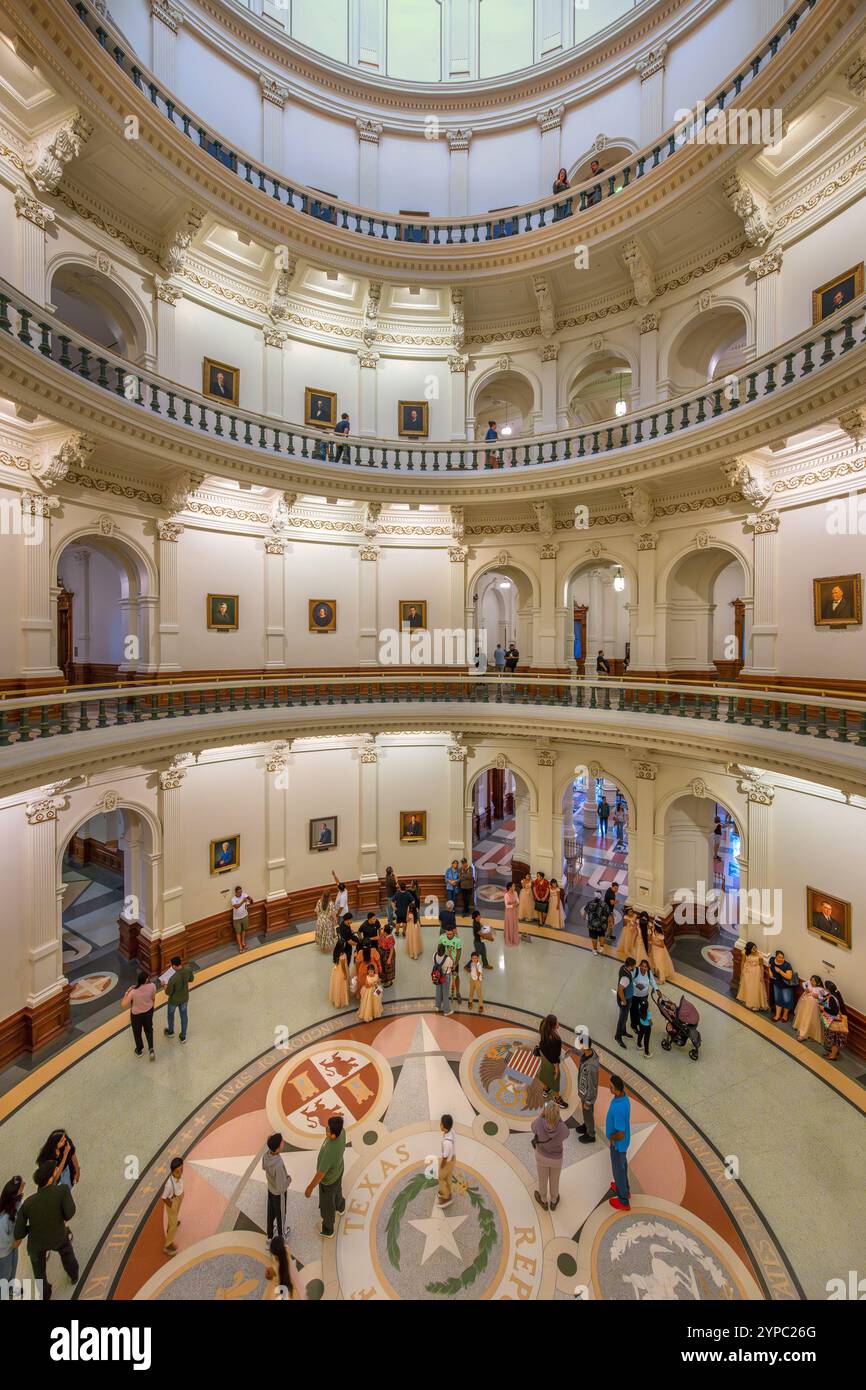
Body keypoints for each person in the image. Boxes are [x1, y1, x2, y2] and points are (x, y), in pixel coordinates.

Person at [12, 1160, 78, 1299]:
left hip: (36, 1245)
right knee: (67, 1254)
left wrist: (32, 1227)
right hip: (58, 1235)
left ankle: (46, 1294)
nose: (56, 1171)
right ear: (50, 1177)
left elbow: (19, 1232)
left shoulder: (28, 1203)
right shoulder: (62, 1190)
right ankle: (73, 1276)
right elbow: (70, 1213)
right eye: (54, 1171)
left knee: (39, 1272)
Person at [305, 1115, 346, 1238]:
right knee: (338, 1190)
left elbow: (320, 1175)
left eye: (328, 1130)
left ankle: (328, 1230)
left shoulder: (329, 1151)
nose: (326, 1129)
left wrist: (310, 1187)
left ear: (333, 1135)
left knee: (327, 1207)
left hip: (328, 1182)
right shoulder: (342, 1132)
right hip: (338, 1171)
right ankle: (340, 1206)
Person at [531, 1100, 570, 1211]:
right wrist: (558, 1119)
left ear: (545, 1113)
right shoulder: (562, 1128)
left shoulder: (539, 1123)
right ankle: (554, 1200)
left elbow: (532, 1127)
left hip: (541, 1156)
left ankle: (543, 1200)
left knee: (542, 1179)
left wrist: (541, 1116)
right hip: (556, 1159)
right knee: (555, 1179)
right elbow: (567, 1134)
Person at [606, 1074, 631, 1211]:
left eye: (611, 1088)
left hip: (618, 1144)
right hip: (623, 1142)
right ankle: (625, 1189)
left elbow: (620, 1133)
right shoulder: (623, 1098)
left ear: (617, 1090)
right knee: (622, 1166)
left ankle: (624, 1201)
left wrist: (612, 1138)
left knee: (618, 1171)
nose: (610, 1089)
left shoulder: (618, 1109)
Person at [262, 1134, 291, 1242]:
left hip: (270, 1189)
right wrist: (288, 1180)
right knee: (281, 1214)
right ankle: (282, 1236)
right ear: (277, 1148)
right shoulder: (278, 1164)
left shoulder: (266, 1155)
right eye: (281, 1141)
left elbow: (264, 1167)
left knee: (271, 1213)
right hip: (279, 1195)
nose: (283, 1141)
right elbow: (280, 1188)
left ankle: (269, 1237)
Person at [122, 970, 156, 1060]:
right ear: (146, 980)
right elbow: (153, 998)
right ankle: (151, 1048)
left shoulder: (133, 992)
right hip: (148, 1012)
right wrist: (152, 1008)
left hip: (136, 1015)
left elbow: (123, 1004)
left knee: (137, 1032)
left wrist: (127, 992)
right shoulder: (152, 986)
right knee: (149, 1030)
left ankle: (139, 1050)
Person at [0, 1175, 24, 1287]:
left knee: (13, 1269)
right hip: (4, 1252)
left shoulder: (17, 1202)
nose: (24, 1185)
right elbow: (4, 1241)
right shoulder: (3, 1220)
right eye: (21, 1186)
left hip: (13, 1244)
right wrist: (16, 1241)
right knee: (5, 1275)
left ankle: (11, 1287)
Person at [538, 1014, 567, 1108]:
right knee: (556, 1079)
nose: (558, 1023)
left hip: (544, 1057)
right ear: (553, 1025)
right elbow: (555, 1056)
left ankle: (546, 1090)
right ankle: (557, 1098)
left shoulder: (543, 1029)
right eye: (557, 1022)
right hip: (551, 1061)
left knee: (545, 1073)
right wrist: (557, 1068)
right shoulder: (556, 1040)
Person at [265, 1234, 306, 1299]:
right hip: (292, 1291)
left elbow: (270, 1277)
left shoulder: (276, 1269)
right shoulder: (286, 1251)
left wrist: (268, 1274)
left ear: (275, 1255)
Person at [164, 955, 194, 1043]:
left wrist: (165, 986)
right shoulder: (188, 970)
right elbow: (191, 979)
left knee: (170, 1015)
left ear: (173, 966)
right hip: (184, 998)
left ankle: (171, 1031)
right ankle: (183, 1036)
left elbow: (168, 992)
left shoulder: (173, 978)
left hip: (173, 1000)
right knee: (184, 1016)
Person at [576, 1036, 599, 1144]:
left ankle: (591, 1134)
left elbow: (593, 1086)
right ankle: (586, 1125)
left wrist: (588, 1101)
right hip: (583, 1091)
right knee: (586, 1113)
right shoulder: (586, 1053)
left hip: (587, 1095)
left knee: (588, 1112)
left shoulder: (591, 1066)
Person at [736, 941, 768, 1012]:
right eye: (753, 948)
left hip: (756, 972)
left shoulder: (760, 955)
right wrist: (742, 971)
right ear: (749, 949)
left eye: (755, 948)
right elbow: (743, 962)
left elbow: (761, 966)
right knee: (748, 986)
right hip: (747, 971)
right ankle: (746, 999)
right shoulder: (745, 953)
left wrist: (762, 976)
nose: (755, 950)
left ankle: (755, 1004)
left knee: (755, 988)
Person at [793, 974, 825, 1043]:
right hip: (805, 1005)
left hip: (813, 1008)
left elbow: (823, 998)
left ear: (818, 982)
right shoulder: (809, 983)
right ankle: (801, 1028)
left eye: (814, 981)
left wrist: (818, 997)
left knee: (809, 1018)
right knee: (803, 1016)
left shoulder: (820, 989)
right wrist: (805, 989)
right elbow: (803, 983)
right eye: (811, 980)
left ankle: (805, 1033)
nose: (812, 982)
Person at [162, 1156, 184, 1255]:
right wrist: (171, 1205)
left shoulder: (179, 1176)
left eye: (181, 1170)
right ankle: (168, 1245)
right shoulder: (169, 1184)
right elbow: (164, 1197)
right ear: (172, 1171)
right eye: (177, 1172)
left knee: (174, 1217)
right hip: (172, 1201)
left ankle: (170, 1225)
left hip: (179, 1197)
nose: (180, 1173)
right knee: (173, 1221)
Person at [820, 981, 847, 1062]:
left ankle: (832, 1056)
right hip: (840, 1019)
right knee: (836, 1039)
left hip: (834, 1021)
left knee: (835, 1039)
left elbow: (833, 1012)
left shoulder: (832, 998)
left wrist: (823, 1008)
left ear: (828, 989)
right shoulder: (837, 994)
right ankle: (833, 1052)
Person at [629, 958, 657, 1034]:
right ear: (640, 966)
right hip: (635, 995)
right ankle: (633, 1025)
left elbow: (652, 981)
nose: (643, 968)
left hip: (644, 996)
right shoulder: (636, 970)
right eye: (642, 966)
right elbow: (629, 979)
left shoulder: (648, 973)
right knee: (633, 1010)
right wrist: (636, 985)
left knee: (642, 1009)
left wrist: (656, 989)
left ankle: (639, 1021)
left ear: (647, 968)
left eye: (645, 967)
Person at [769, 949, 795, 1022]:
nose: (781, 959)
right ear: (776, 957)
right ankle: (777, 1015)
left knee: (787, 1001)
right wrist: (770, 972)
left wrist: (780, 971)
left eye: (782, 957)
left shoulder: (787, 965)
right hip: (777, 984)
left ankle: (785, 1016)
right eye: (779, 957)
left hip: (786, 986)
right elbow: (770, 966)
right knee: (778, 1000)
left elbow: (789, 977)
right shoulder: (772, 960)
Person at [615, 957, 636, 1048]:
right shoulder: (625, 978)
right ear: (630, 966)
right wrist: (624, 1001)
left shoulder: (622, 967)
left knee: (625, 1017)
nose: (634, 967)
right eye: (634, 966)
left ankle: (623, 1031)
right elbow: (620, 990)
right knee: (622, 1019)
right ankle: (618, 1036)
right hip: (625, 1000)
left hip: (626, 998)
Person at [439, 922, 463, 1002]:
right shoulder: (442, 938)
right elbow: (439, 949)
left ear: (453, 932)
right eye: (447, 934)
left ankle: (458, 993)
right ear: (445, 931)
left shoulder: (457, 940)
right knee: (443, 978)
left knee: (456, 977)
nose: (449, 936)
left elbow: (459, 952)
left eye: (450, 934)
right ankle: (443, 993)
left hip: (454, 962)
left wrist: (456, 963)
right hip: (444, 962)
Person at [648, 919, 674, 985]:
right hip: (654, 950)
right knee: (656, 963)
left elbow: (662, 946)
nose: (653, 924)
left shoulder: (660, 935)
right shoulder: (654, 930)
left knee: (660, 964)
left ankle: (662, 980)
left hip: (660, 951)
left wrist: (653, 943)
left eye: (654, 924)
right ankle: (659, 974)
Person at [438, 1114, 456, 1207]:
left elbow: (445, 1157)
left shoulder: (446, 1143)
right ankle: (449, 1191)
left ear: (444, 1128)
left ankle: (446, 1196)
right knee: (448, 1176)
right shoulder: (451, 1132)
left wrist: (441, 1166)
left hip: (447, 1162)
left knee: (441, 1178)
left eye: (441, 1124)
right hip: (453, 1159)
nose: (440, 1124)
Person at [231, 884, 253, 953]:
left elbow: (250, 899)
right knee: (238, 932)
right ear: (236, 892)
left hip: (245, 916)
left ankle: (243, 943)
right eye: (239, 892)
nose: (240, 893)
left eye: (241, 891)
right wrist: (242, 901)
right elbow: (236, 906)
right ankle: (240, 946)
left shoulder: (244, 895)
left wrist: (250, 899)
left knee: (244, 930)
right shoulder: (233, 899)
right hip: (237, 919)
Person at [432, 944, 453, 1015]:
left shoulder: (434, 955)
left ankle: (437, 1006)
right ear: (444, 951)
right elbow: (451, 965)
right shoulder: (447, 958)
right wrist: (450, 954)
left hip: (437, 976)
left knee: (438, 991)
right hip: (445, 977)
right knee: (445, 993)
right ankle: (446, 1011)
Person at [329, 941, 350, 1008]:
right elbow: (343, 967)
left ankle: (336, 1000)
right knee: (342, 986)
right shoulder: (343, 955)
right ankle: (341, 1001)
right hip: (341, 971)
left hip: (336, 970)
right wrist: (345, 974)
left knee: (336, 985)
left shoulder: (336, 952)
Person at [377, 920, 396, 987]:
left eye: (383, 928)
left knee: (389, 967)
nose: (381, 929)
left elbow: (391, 949)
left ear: (385, 932)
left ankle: (389, 981)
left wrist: (389, 958)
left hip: (388, 953)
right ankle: (384, 978)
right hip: (382, 952)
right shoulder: (383, 934)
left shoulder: (390, 938)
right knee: (382, 966)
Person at [634, 993, 653, 1057]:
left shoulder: (639, 1007)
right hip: (647, 1027)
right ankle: (646, 1053)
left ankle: (638, 1045)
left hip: (641, 1024)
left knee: (640, 1034)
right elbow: (650, 1022)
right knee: (646, 1039)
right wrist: (651, 1023)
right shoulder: (648, 1013)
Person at [502, 880, 520, 946]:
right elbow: (507, 905)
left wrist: (514, 904)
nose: (514, 887)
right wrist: (513, 904)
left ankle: (514, 937)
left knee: (514, 923)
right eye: (513, 886)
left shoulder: (515, 893)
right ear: (510, 887)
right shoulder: (506, 895)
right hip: (509, 912)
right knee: (510, 924)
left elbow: (518, 901)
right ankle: (509, 938)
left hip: (514, 911)